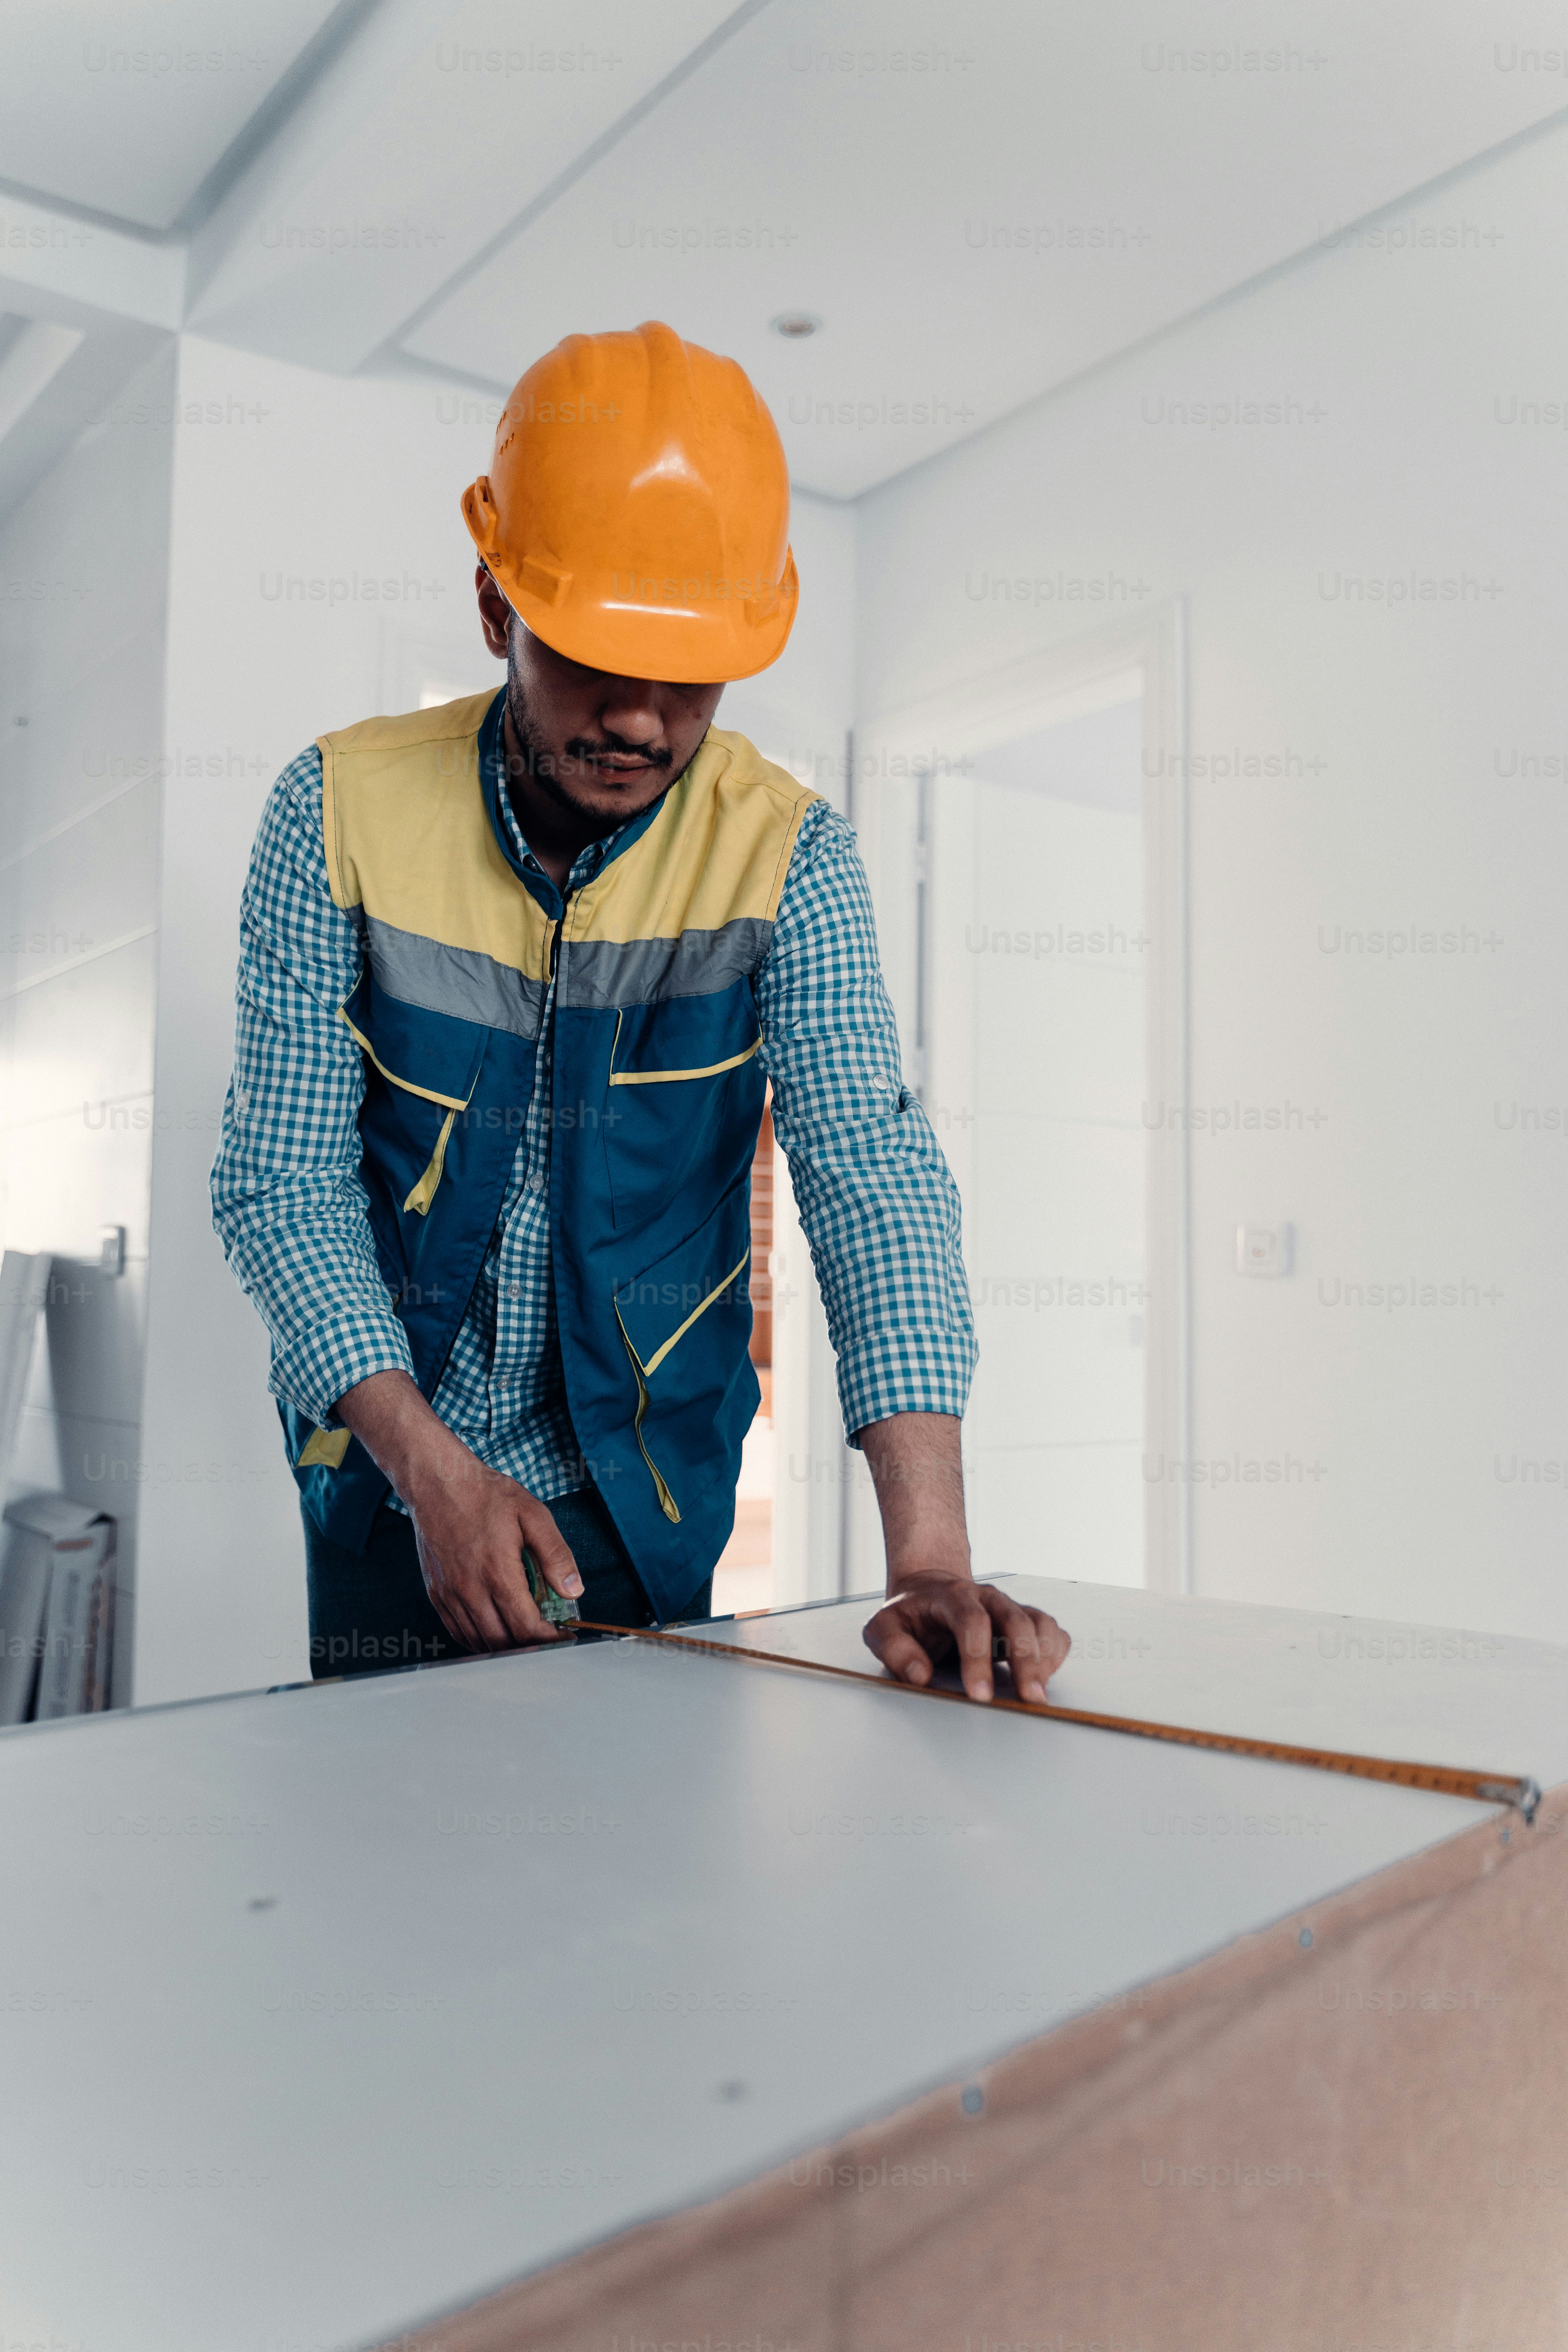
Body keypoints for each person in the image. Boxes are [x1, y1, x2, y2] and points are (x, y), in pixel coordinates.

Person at [210, 319, 1070, 1703]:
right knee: (383, 1873)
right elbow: (283, 1185)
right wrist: (432, 1477)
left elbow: (869, 1176)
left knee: (630, 1880)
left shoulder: (788, 853)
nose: (645, 720)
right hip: (392, 1478)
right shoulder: (338, 808)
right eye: (600, 657)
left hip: (648, 1494)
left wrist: (929, 1559)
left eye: (691, 674)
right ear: (499, 610)